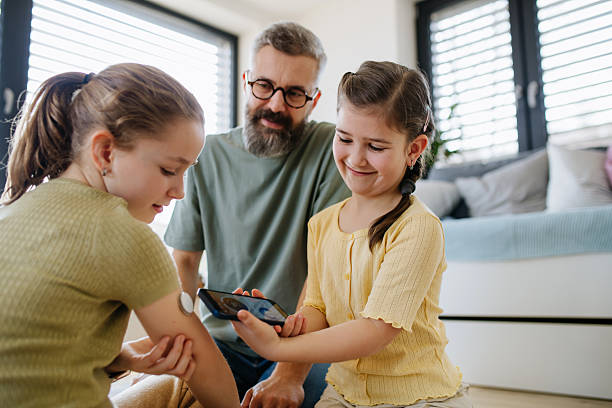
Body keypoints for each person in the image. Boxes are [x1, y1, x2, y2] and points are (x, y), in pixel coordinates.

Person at [232, 61, 474, 407]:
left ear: (414, 149)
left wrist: (277, 348)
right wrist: (288, 326)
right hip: (344, 391)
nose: (356, 158)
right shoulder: (322, 223)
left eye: (376, 147)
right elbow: (317, 305)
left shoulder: (418, 227)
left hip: (418, 396)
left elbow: (374, 331)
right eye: (344, 138)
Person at [0, 63, 239, 407]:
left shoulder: (15, 208)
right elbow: (202, 365)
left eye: (187, 172)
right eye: (170, 170)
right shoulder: (121, 233)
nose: (180, 191)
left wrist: (124, 358)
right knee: (190, 383)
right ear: (105, 152)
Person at [163, 21, 350, 407]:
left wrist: (287, 375)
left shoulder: (331, 151)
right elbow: (184, 263)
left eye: (295, 94)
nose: (276, 105)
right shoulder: (207, 155)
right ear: (247, 81)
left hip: (300, 345)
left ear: (314, 100)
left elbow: (327, 270)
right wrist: (182, 339)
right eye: (264, 86)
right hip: (221, 340)